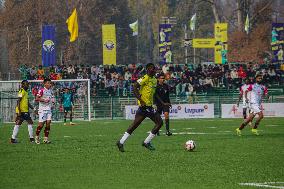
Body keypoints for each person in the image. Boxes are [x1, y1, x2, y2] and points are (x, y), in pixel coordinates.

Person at [116, 63, 163, 152]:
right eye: (153, 69)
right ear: (148, 69)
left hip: (148, 106)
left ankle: (121, 142)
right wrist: (140, 100)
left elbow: (155, 93)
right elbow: (134, 87)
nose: (155, 70)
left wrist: (162, 103)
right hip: (145, 106)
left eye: (155, 68)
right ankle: (146, 142)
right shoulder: (144, 78)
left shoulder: (154, 80)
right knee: (159, 123)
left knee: (135, 125)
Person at [35, 78, 54, 144]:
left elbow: (50, 99)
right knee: (41, 125)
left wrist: (52, 102)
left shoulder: (50, 91)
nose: (49, 84)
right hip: (42, 110)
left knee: (48, 123)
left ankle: (46, 139)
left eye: (50, 83)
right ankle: (37, 137)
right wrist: (44, 100)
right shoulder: (41, 90)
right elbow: (37, 98)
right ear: (44, 83)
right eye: (48, 83)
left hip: (48, 109)